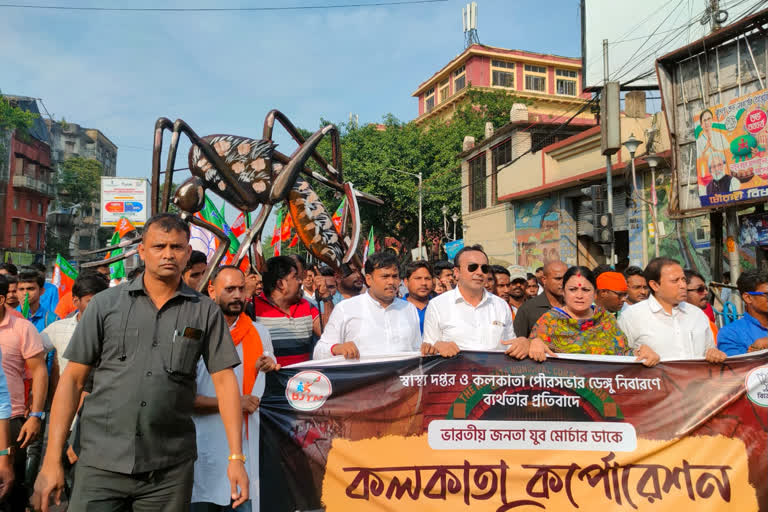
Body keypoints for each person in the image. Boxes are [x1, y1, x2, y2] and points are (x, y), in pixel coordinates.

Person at [32, 213, 248, 512]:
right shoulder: (105, 306)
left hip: (168, 470)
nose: (168, 254)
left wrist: (236, 458)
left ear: (188, 252)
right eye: (159, 246)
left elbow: (225, 383)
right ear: (142, 251)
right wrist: (51, 460)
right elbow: (72, 381)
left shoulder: (205, 313)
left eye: (177, 247)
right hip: (99, 464)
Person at [192, 266, 278, 512]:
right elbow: (182, 398)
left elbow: (266, 373)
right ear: (212, 290)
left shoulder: (259, 333)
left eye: (241, 289)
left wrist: (267, 366)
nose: (238, 295)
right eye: (229, 289)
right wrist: (235, 402)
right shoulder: (194, 334)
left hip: (245, 447)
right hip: (202, 446)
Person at [422, 245, 526, 359]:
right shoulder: (438, 305)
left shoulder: (501, 305)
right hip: (456, 374)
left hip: (494, 374)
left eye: (484, 268)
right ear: (456, 272)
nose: (479, 272)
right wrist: (437, 347)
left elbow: (509, 345)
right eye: (472, 267)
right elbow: (428, 349)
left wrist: (523, 344)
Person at [314, 251, 421, 360]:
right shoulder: (345, 309)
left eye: (395, 276)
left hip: (401, 375)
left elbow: (417, 351)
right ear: (369, 279)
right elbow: (319, 352)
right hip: (362, 376)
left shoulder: (409, 308)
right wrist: (336, 348)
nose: (391, 282)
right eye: (385, 276)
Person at [618, 257, 726, 364]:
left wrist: (714, 354)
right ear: (655, 285)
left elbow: (710, 350)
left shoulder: (697, 315)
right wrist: (636, 353)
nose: (683, 285)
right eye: (675, 281)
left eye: (683, 279)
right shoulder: (631, 317)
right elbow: (618, 357)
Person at [0, 274, 48, 510]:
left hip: (12, 421)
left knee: (10, 489)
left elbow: (39, 372)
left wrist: (35, 416)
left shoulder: (22, 328)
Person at [528, 267, 631, 360]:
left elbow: (624, 355)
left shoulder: (606, 319)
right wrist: (531, 343)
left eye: (585, 290)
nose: (579, 295)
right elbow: (530, 356)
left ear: (595, 293)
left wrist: (640, 352)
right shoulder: (549, 322)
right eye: (573, 289)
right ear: (563, 292)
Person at [252, 257, 321, 367]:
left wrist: (326, 298)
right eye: (295, 277)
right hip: (268, 383)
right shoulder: (253, 308)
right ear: (280, 284)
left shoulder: (307, 305)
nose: (300, 281)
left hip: (304, 382)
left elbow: (326, 333)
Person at [41, 273, 109, 378]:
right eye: (91, 302)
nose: (98, 307)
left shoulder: (117, 329)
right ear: (76, 301)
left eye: (103, 301)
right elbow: (31, 354)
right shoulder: (58, 328)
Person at [717, 269, 768, 356]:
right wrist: (756, 349)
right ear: (748, 298)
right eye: (767, 294)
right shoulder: (731, 334)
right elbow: (735, 367)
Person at [513, 260, 567, 338]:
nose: (562, 283)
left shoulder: (574, 307)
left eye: (566, 278)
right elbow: (519, 341)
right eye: (558, 279)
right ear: (544, 280)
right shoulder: (528, 309)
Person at [684, 269, 718, 337]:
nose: (706, 292)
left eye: (706, 288)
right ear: (683, 291)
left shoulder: (708, 325)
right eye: (700, 289)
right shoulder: (669, 325)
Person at [403, 260, 434, 335]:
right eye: (418, 278)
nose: (423, 283)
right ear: (406, 282)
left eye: (427, 278)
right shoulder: (397, 309)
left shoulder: (439, 307)